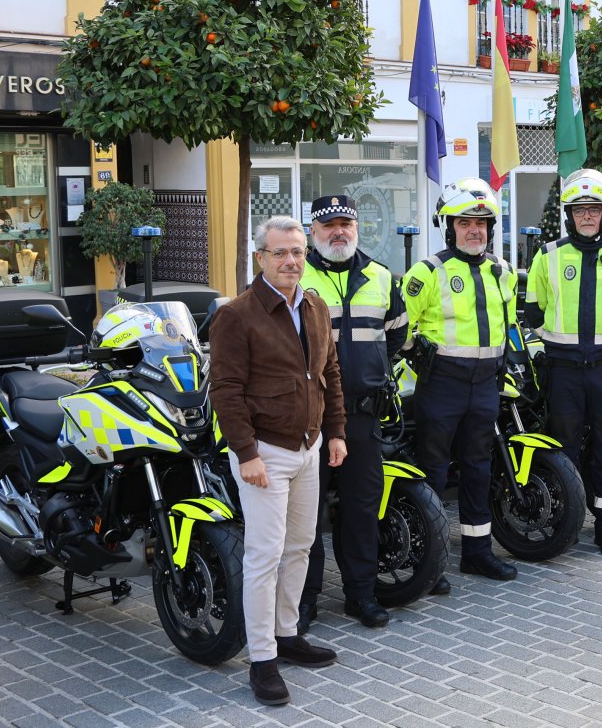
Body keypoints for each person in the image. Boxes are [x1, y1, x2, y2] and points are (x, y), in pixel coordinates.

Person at [209, 215, 347, 707]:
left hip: (308, 447)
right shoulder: (238, 314)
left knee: (300, 546)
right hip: (264, 452)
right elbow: (224, 390)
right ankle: (262, 659)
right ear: (261, 259)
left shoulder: (315, 305)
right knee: (264, 556)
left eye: (297, 252)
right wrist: (245, 453)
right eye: (280, 253)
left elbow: (328, 370)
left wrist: (335, 432)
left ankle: (287, 634)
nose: (291, 261)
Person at [402, 179, 518, 591]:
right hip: (443, 385)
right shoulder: (427, 272)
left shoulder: (502, 271)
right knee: (432, 471)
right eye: (465, 222)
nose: (475, 230)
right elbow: (400, 328)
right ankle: (429, 561)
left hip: (486, 384)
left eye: (482, 223)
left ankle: (477, 552)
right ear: (449, 226)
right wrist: (419, 353)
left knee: (478, 468)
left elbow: (510, 324)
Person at [297, 195, 406, 632]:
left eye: (346, 223)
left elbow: (396, 336)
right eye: (328, 226)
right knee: (306, 513)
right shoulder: (293, 275)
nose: (338, 232)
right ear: (313, 232)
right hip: (309, 419)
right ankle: (303, 602)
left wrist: (371, 373)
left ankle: (361, 594)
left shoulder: (381, 276)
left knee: (362, 508)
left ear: (357, 227)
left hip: (362, 418)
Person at [523, 169, 602, 557]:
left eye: (594, 209)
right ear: (569, 215)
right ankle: (569, 525)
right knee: (565, 449)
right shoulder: (548, 255)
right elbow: (534, 311)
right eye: (580, 210)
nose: (587, 216)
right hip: (563, 370)